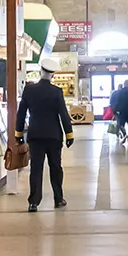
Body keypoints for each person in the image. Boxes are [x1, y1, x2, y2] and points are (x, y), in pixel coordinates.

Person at [13, 66, 74, 212]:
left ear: (41, 72)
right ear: (52, 75)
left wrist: (19, 134)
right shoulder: (56, 92)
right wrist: (69, 134)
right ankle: (58, 199)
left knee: (36, 169)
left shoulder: (29, 91)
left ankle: (33, 202)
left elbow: (21, 114)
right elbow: (63, 115)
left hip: (35, 136)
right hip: (54, 136)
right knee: (56, 168)